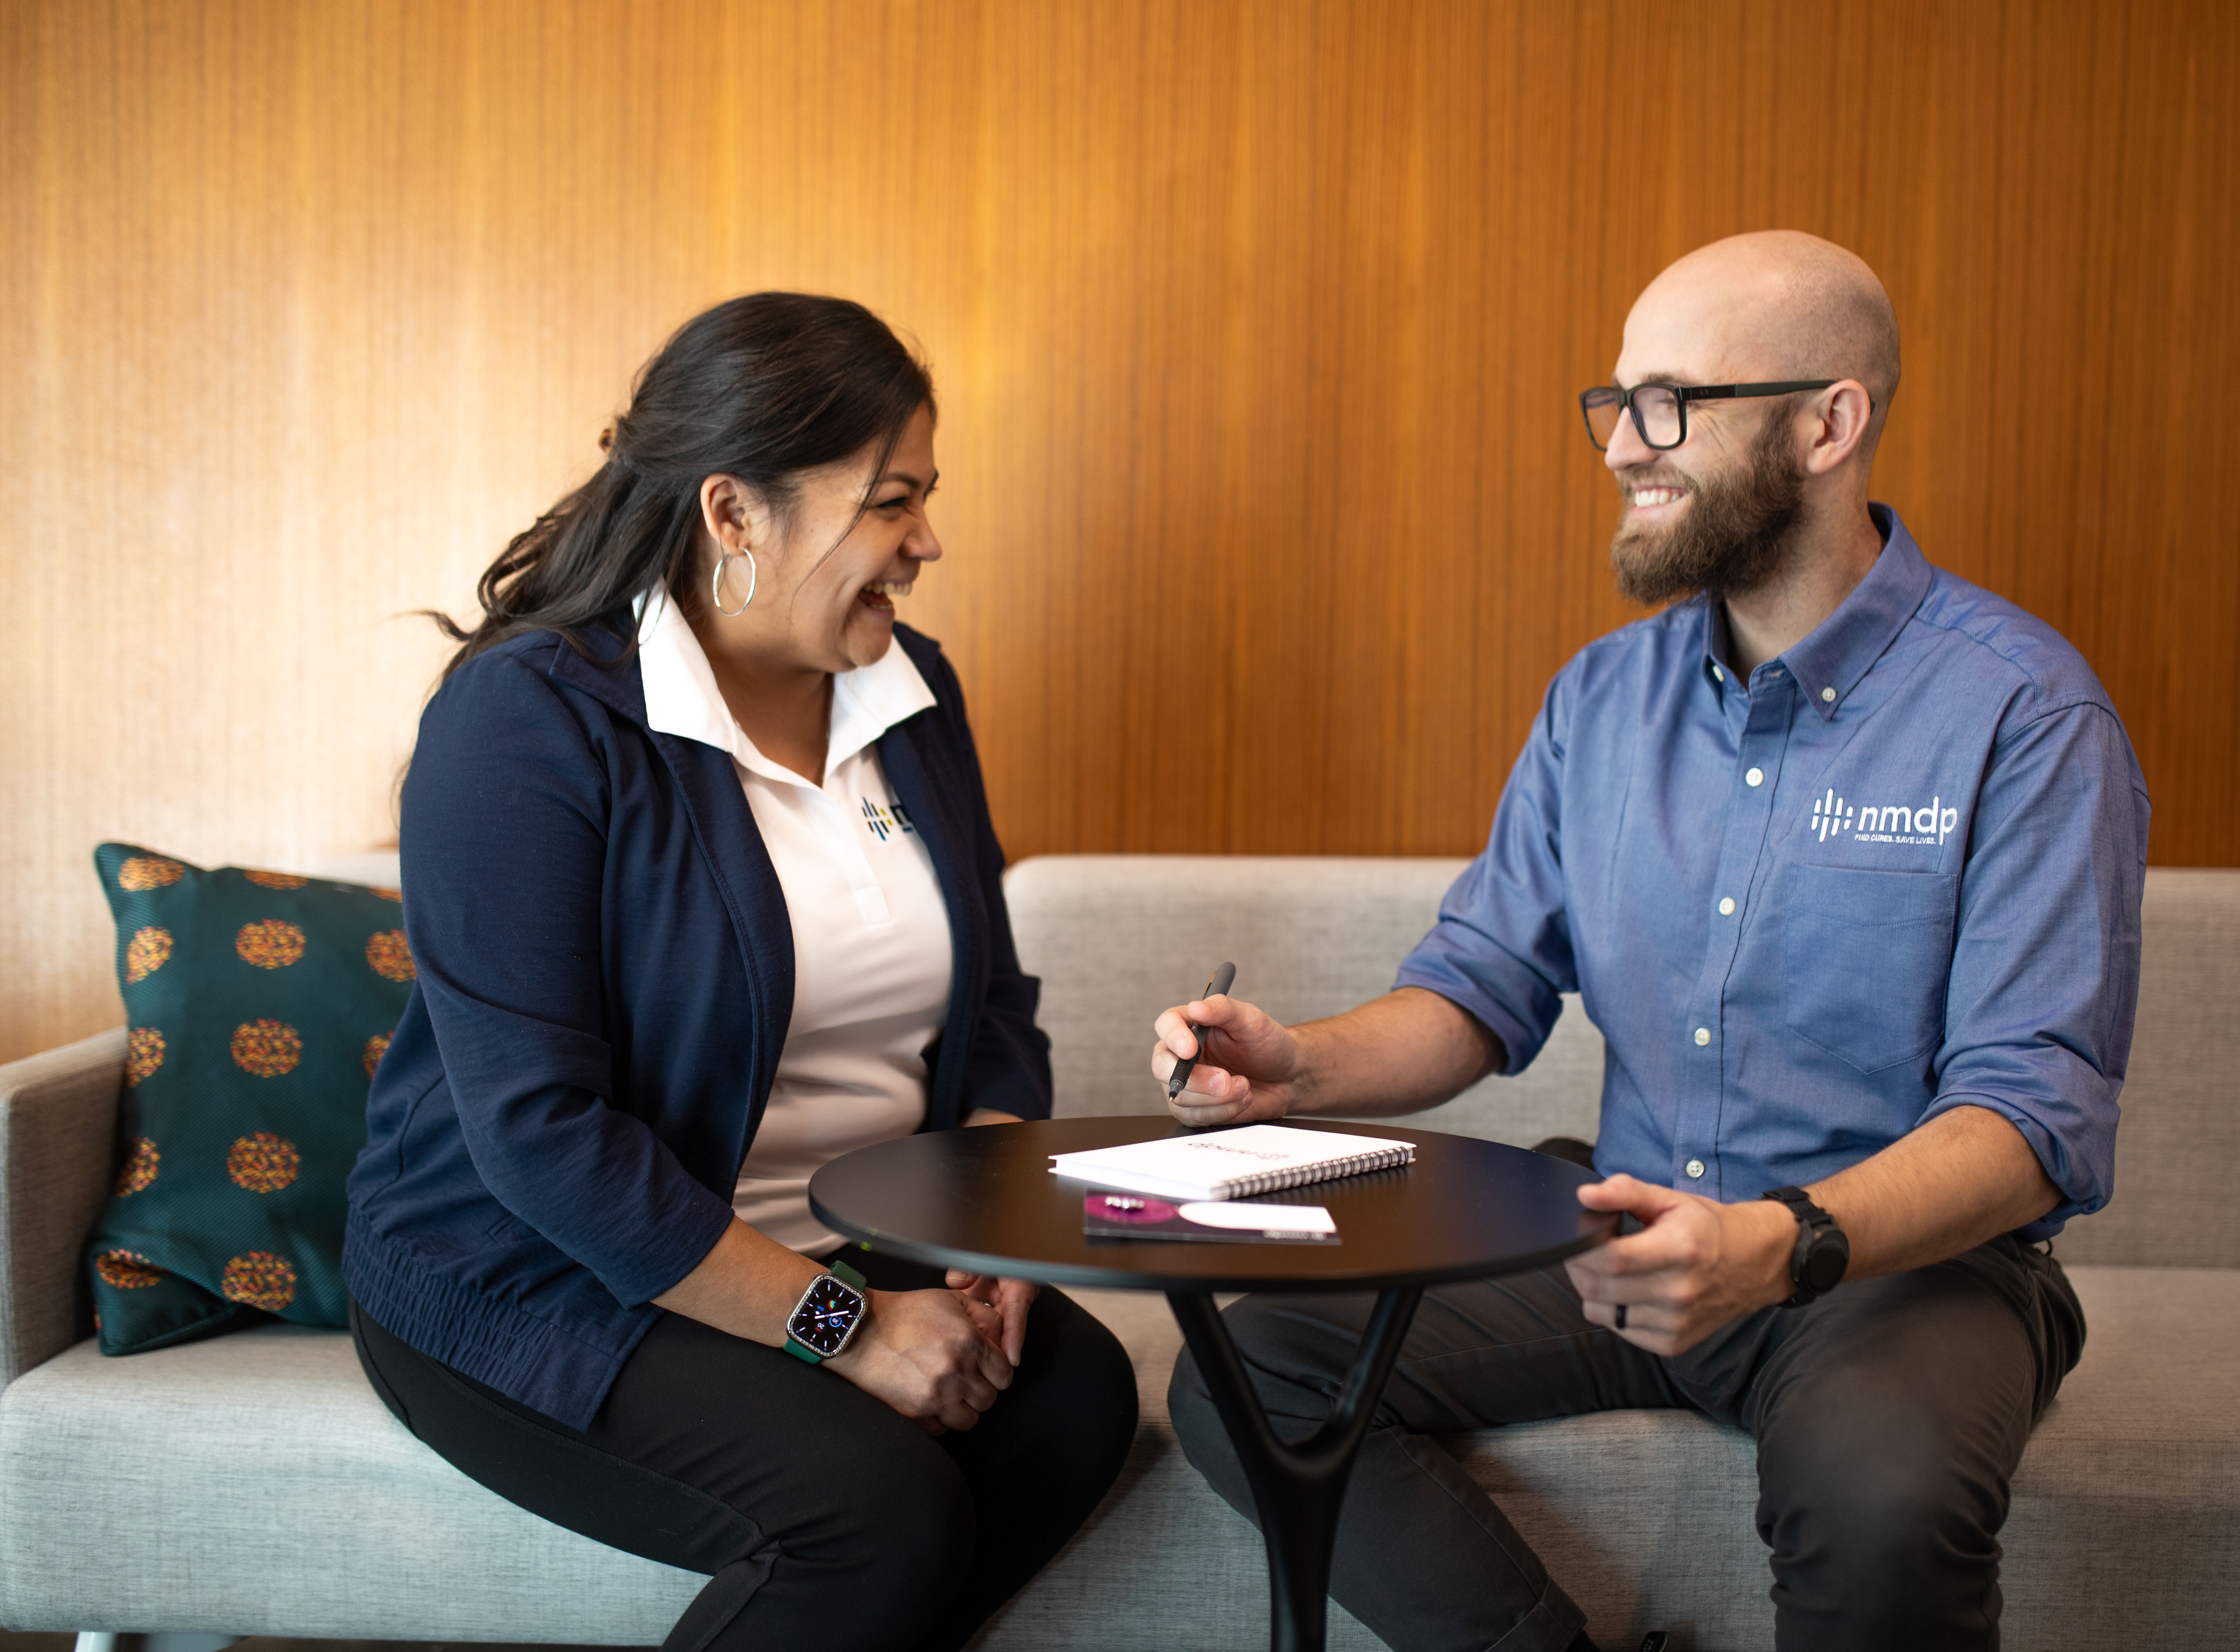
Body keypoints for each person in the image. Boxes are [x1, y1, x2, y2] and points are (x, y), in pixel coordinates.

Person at [1149, 231, 2146, 1652]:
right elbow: (1481, 988)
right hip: (1622, 1226)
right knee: (1249, 1373)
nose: (1621, 446)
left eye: (1669, 402)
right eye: (1612, 402)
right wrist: (1297, 1064)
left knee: (1885, 1506)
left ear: (1828, 423)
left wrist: (1779, 1244)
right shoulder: (1600, 701)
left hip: (1893, 1269)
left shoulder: (2026, 716)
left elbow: (2035, 1115)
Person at [345, 293, 1137, 1652]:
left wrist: (985, 1244)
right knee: (875, 1515)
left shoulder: (914, 694)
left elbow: (994, 1013)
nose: (929, 542)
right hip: (540, 1269)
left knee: (1075, 1404)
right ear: (734, 515)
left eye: (926, 498)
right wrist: (850, 1329)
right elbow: (540, 1136)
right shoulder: (529, 720)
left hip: (858, 1233)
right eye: (894, 503)